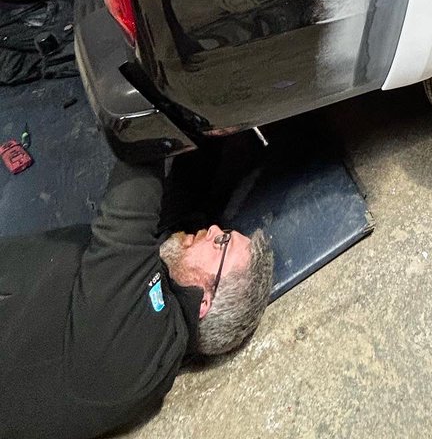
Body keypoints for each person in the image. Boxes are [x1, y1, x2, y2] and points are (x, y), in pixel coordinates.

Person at [0, 158, 274, 439]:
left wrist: (147, 123)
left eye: (221, 243)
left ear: (204, 301)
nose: (215, 230)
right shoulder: (162, 306)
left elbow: (129, 212)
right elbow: (180, 199)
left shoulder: (142, 350)